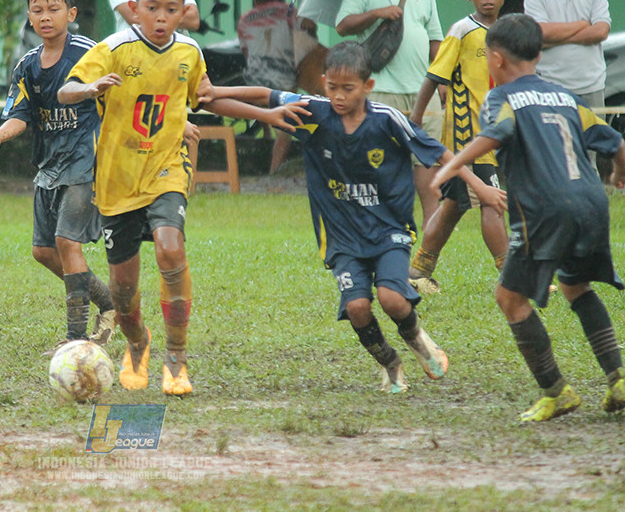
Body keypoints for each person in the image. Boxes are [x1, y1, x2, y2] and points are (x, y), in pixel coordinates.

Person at [205, 41, 505, 393]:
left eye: (348, 89)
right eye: (332, 88)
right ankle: (390, 363)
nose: (339, 96)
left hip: (388, 229)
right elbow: (264, 95)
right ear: (323, 82)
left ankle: (415, 337)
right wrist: (215, 91)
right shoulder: (314, 113)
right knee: (359, 308)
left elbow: (439, 152)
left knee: (393, 299)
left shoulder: (386, 120)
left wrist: (479, 187)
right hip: (341, 237)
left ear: (368, 86)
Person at [58, 0, 300, 396]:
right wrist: (89, 89)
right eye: (152, 8)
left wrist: (267, 114)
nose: (161, 18)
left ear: (183, 11)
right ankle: (138, 343)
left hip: (167, 168)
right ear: (135, 9)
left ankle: (176, 357)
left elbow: (207, 100)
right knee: (124, 288)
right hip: (116, 181)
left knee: (171, 249)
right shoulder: (113, 48)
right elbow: (65, 91)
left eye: (171, 9)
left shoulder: (189, 52)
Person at [434, 13, 625, 422]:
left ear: (496, 60)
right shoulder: (566, 97)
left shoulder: (502, 98)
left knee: (509, 298)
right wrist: (618, 172)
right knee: (576, 286)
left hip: (545, 210)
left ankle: (556, 391)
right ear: (539, 54)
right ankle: (618, 377)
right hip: (592, 203)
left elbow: (495, 133)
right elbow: (616, 142)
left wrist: (452, 166)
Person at [0, 0, 116, 351]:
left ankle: (75, 340)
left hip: (86, 162)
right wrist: (1, 136)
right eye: (37, 10)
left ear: (71, 14)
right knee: (43, 251)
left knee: (66, 240)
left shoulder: (90, 53)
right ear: (28, 16)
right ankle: (109, 304)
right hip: (49, 165)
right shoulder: (26, 65)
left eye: (54, 9)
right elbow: (20, 114)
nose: (45, 17)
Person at [407, 0, 513, 294]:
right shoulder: (461, 31)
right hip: (470, 135)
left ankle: (419, 270)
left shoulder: (508, 32)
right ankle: (513, 276)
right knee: (492, 200)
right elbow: (434, 76)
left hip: (497, 134)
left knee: (454, 206)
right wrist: (416, 118)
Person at [336, 0, 445, 227]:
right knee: (380, 166)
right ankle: (384, 232)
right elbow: (343, 25)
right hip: (380, 89)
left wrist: (441, 82)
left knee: (428, 166)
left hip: (423, 90)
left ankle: (428, 246)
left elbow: (435, 39)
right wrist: (377, 13)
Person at [237, 0, 318, 173]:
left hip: (254, 78)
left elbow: (246, 53)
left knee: (263, 103)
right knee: (285, 127)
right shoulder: (290, 12)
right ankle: (273, 171)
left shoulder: (245, 20)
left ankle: (265, 136)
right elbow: (309, 34)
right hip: (284, 77)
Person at [523, 0, 611, 110]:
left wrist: (553, 40)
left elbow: (600, 32)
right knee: (552, 137)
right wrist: (583, 24)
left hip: (591, 87)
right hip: (549, 86)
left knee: (591, 137)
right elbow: (541, 33)